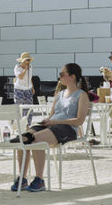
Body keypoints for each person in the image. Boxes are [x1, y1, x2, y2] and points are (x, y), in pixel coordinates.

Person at [9, 61, 90, 192]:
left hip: (67, 128)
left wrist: (54, 122)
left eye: (62, 74)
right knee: (23, 138)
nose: (60, 77)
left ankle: (39, 179)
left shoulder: (81, 95)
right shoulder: (60, 94)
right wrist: (47, 121)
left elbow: (79, 121)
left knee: (35, 140)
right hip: (53, 125)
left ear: (73, 76)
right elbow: (52, 115)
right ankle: (23, 179)